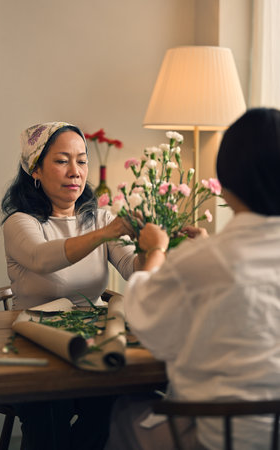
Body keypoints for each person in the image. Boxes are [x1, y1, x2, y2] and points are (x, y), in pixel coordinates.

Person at [105, 108, 280, 450]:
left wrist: (156, 251)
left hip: (220, 438)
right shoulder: (210, 256)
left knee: (124, 413)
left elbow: (143, 319)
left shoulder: (205, 259)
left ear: (226, 183)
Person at [1, 121, 144, 450]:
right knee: (49, 408)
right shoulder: (20, 221)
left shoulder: (101, 218)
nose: (75, 171)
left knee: (119, 399)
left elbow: (135, 270)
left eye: (81, 160)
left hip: (90, 344)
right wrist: (103, 234)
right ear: (35, 169)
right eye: (62, 160)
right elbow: (42, 258)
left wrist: (155, 244)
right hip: (34, 347)